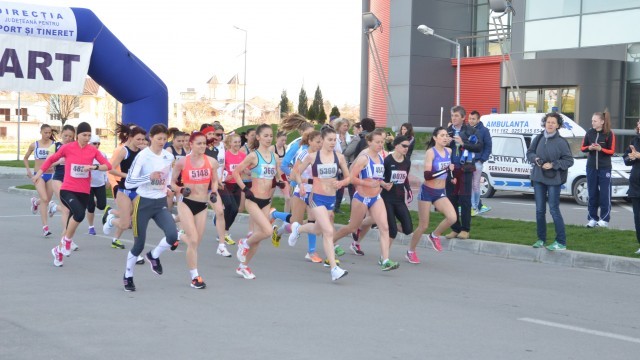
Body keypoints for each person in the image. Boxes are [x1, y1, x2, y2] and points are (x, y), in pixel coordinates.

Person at [33, 122, 112, 267]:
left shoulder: (92, 150)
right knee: (79, 214)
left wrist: (94, 166)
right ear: (78, 135)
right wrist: (38, 173)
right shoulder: (68, 147)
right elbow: (50, 159)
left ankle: (58, 250)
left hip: (83, 191)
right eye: (84, 135)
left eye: (89, 135)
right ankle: (67, 241)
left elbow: (108, 165)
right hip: (67, 189)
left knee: (71, 223)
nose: (87, 138)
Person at [288, 126, 350, 280]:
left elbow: (349, 178)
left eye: (334, 140)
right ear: (322, 140)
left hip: (331, 199)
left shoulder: (339, 157)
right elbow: (295, 173)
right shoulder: (312, 157)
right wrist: (300, 184)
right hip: (316, 198)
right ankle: (334, 269)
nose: (332, 143)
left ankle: (298, 229)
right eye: (329, 140)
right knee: (328, 231)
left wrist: (342, 183)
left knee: (317, 229)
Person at [332, 129, 400, 271]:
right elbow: (352, 177)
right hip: (361, 197)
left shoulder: (381, 157)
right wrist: (367, 184)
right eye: (377, 142)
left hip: (376, 197)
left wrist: (383, 184)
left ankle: (385, 260)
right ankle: (331, 241)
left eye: (382, 142)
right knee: (352, 227)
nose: (380, 144)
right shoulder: (364, 158)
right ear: (369, 142)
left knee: (384, 227)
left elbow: (377, 177)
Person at [122, 124, 178, 291]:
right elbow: (129, 182)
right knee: (139, 244)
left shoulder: (168, 157)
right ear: (151, 138)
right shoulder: (143, 156)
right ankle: (128, 276)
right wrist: (148, 177)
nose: (162, 142)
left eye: (164, 139)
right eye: (159, 138)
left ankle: (153, 256)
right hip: (143, 203)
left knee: (172, 235)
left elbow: (166, 177)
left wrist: (168, 188)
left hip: (160, 202)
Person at [171, 131, 221, 289]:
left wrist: (213, 192)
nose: (202, 146)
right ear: (190, 144)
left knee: (195, 242)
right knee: (193, 240)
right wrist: (180, 190)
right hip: (186, 202)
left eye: (204, 143)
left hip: (202, 205)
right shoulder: (182, 162)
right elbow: (171, 183)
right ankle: (195, 277)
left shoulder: (212, 162)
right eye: (199, 143)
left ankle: (178, 235)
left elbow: (215, 181)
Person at [232, 124, 282, 279]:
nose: (268, 139)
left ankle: (243, 266)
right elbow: (235, 172)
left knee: (258, 237)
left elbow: (278, 176)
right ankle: (244, 243)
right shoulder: (253, 156)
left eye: (270, 136)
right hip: (253, 199)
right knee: (267, 231)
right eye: (265, 136)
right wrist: (244, 188)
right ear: (258, 137)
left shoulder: (275, 157)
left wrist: (280, 182)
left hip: (266, 201)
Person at [407, 128, 457, 263]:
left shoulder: (449, 151)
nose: (445, 138)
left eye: (447, 135)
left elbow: (449, 169)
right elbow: (427, 175)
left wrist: (452, 176)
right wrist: (446, 170)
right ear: (435, 138)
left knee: (452, 218)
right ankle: (410, 251)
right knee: (423, 225)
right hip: (428, 191)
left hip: (440, 192)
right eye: (442, 135)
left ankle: (435, 235)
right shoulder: (431, 153)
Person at [527, 112, 574, 251]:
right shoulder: (539, 137)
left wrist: (553, 164)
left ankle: (561, 242)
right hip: (538, 178)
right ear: (545, 123)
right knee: (539, 210)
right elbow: (530, 152)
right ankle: (541, 239)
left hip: (554, 180)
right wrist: (535, 159)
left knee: (554, 209)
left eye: (553, 122)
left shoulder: (561, 142)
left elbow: (569, 161)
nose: (550, 124)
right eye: (548, 122)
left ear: (558, 125)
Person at [103, 124, 147, 250]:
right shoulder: (124, 151)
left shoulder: (142, 152)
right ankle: (111, 220)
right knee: (126, 223)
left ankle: (127, 245)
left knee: (136, 221)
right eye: (138, 139)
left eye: (143, 139)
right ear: (131, 138)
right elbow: (110, 169)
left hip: (137, 190)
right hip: (124, 190)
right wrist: (127, 175)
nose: (141, 142)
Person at [444, 106, 483, 240]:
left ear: (462, 117)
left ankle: (465, 229)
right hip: (450, 170)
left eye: (456, 116)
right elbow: (436, 146)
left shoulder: (471, 131)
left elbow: (479, 147)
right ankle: (455, 228)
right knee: (451, 199)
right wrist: (445, 142)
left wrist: (463, 143)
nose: (453, 118)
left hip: (465, 169)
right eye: (452, 116)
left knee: (465, 200)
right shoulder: (447, 131)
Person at [581, 110, 616, 228]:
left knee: (605, 194)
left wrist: (601, 149)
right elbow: (582, 148)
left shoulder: (609, 134)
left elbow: (611, 151)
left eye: (595, 121)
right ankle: (592, 218)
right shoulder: (589, 133)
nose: (592, 123)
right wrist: (590, 147)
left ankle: (604, 220)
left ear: (601, 122)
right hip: (591, 167)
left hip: (604, 168)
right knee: (592, 193)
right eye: (592, 120)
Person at [381, 135, 414, 253]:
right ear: (396, 146)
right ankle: (384, 257)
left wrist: (408, 189)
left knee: (408, 229)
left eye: (408, 146)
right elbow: (378, 178)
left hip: (399, 199)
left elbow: (405, 177)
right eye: (404, 146)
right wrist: (383, 184)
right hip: (387, 198)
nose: (406, 148)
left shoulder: (407, 162)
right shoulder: (387, 160)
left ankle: (376, 223)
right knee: (393, 231)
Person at [24, 124, 57, 237]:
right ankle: (45, 227)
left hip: (51, 175)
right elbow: (25, 158)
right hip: (39, 175)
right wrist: (28, 170)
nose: (48, 135)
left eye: (49, 133)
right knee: (44, 198)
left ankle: (35, 202)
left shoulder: (54, 145)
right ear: (41, 132)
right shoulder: (34, 145)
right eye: (45, 133)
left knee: (46, 200)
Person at [49, 125, 76, 246]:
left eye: (71, 136)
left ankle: (54, 207)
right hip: (58, 179)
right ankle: (65, 239)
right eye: (66, 136)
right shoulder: (55, 147)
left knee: (72, 210)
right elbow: (48, 164)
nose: (68, 138)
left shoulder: (76, 146)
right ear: (61, 135)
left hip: (72, 181)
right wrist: (59, 161)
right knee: (66, 208)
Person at [221, 133, 246, 245]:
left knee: (235, 210)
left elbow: (245, 169)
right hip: (226, 184)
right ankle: (223, 232)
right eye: (235, 142)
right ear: (230, 143)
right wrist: (226, 177)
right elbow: (220, 169)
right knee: (230, 206)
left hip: (237, 184)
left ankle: (225, 230)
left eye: (239, 141)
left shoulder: (242, 155)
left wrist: (253, 172)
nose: (237, 144)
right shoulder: (225, 155)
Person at [467, 110, 493, 216]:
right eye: (469, 118)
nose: (471, 121)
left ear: (478, 119)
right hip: (467, 162)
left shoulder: (484, 131)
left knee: (475, 185)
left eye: (473, 119)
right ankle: (468, 205)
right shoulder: (466, 129)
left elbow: (488, 146)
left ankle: (475, 206)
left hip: (477, 162)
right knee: (467, 185)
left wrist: (482, 159)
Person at [623, 119, 640, 254]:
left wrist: (639, 155)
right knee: (637, 218)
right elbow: (626, 159)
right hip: (636, 186)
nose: (639, 125)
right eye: (639, 123)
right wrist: (630, 157)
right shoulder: (634, 141)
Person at [86, 135, 108, 236]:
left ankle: (95, 202)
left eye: (98, 143)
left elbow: (107, 167)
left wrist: (107, 180)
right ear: (89, 143)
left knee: (102, 205)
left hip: (100, 183)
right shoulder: (85, 154)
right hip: (88, 184)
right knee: (90, 207)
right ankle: (91, 227)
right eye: (95, 143)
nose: (97, 145)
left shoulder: (102, 154)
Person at [332, 118, 353, 213]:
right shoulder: (334, 137)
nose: (346, 127)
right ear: (339, 126)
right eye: (344, 125)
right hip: (335, 163)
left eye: (347, 126)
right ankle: (331, 205)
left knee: (341, 186)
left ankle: (337, 206)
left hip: (346, 164)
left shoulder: (350, 138)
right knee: (333, 185)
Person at [269, 131, 291, 211]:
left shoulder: (286, 147)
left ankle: (286, 218)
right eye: (282, 140)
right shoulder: (271, 149)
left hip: (282, 176)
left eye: (285, 140)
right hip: (273, 176)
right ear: (276, 139)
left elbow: (291, 161)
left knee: (288, 198)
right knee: (269, 199)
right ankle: (266, 215)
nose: (283, 142)